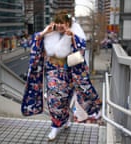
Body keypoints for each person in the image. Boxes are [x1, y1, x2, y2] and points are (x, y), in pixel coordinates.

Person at [21, 10, 102, 141]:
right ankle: (55, 125)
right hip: (52, 73)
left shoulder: (75, 34)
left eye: (63, 23)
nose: (59, 26)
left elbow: (80, 52)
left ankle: (64, 120)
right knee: (54, 100)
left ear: (68, 23)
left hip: (69, 74)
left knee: (65, 100)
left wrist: (72, 38)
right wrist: (43, 33)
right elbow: (35, 43)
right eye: (58, 23)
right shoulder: (49, 34)